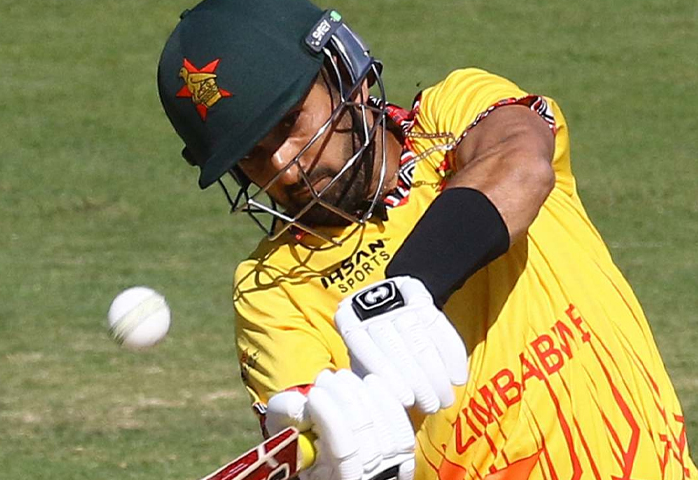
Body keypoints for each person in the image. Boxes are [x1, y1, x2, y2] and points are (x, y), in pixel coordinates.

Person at [157, 0, 696, 479]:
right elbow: (308, 428)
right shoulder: (273, 292)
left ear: (344, 72)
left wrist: (406, 288)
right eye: (251, 154)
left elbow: (520, 163)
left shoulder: (452, 115)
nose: (284, 166)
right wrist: (333, 460)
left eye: (288, 123)